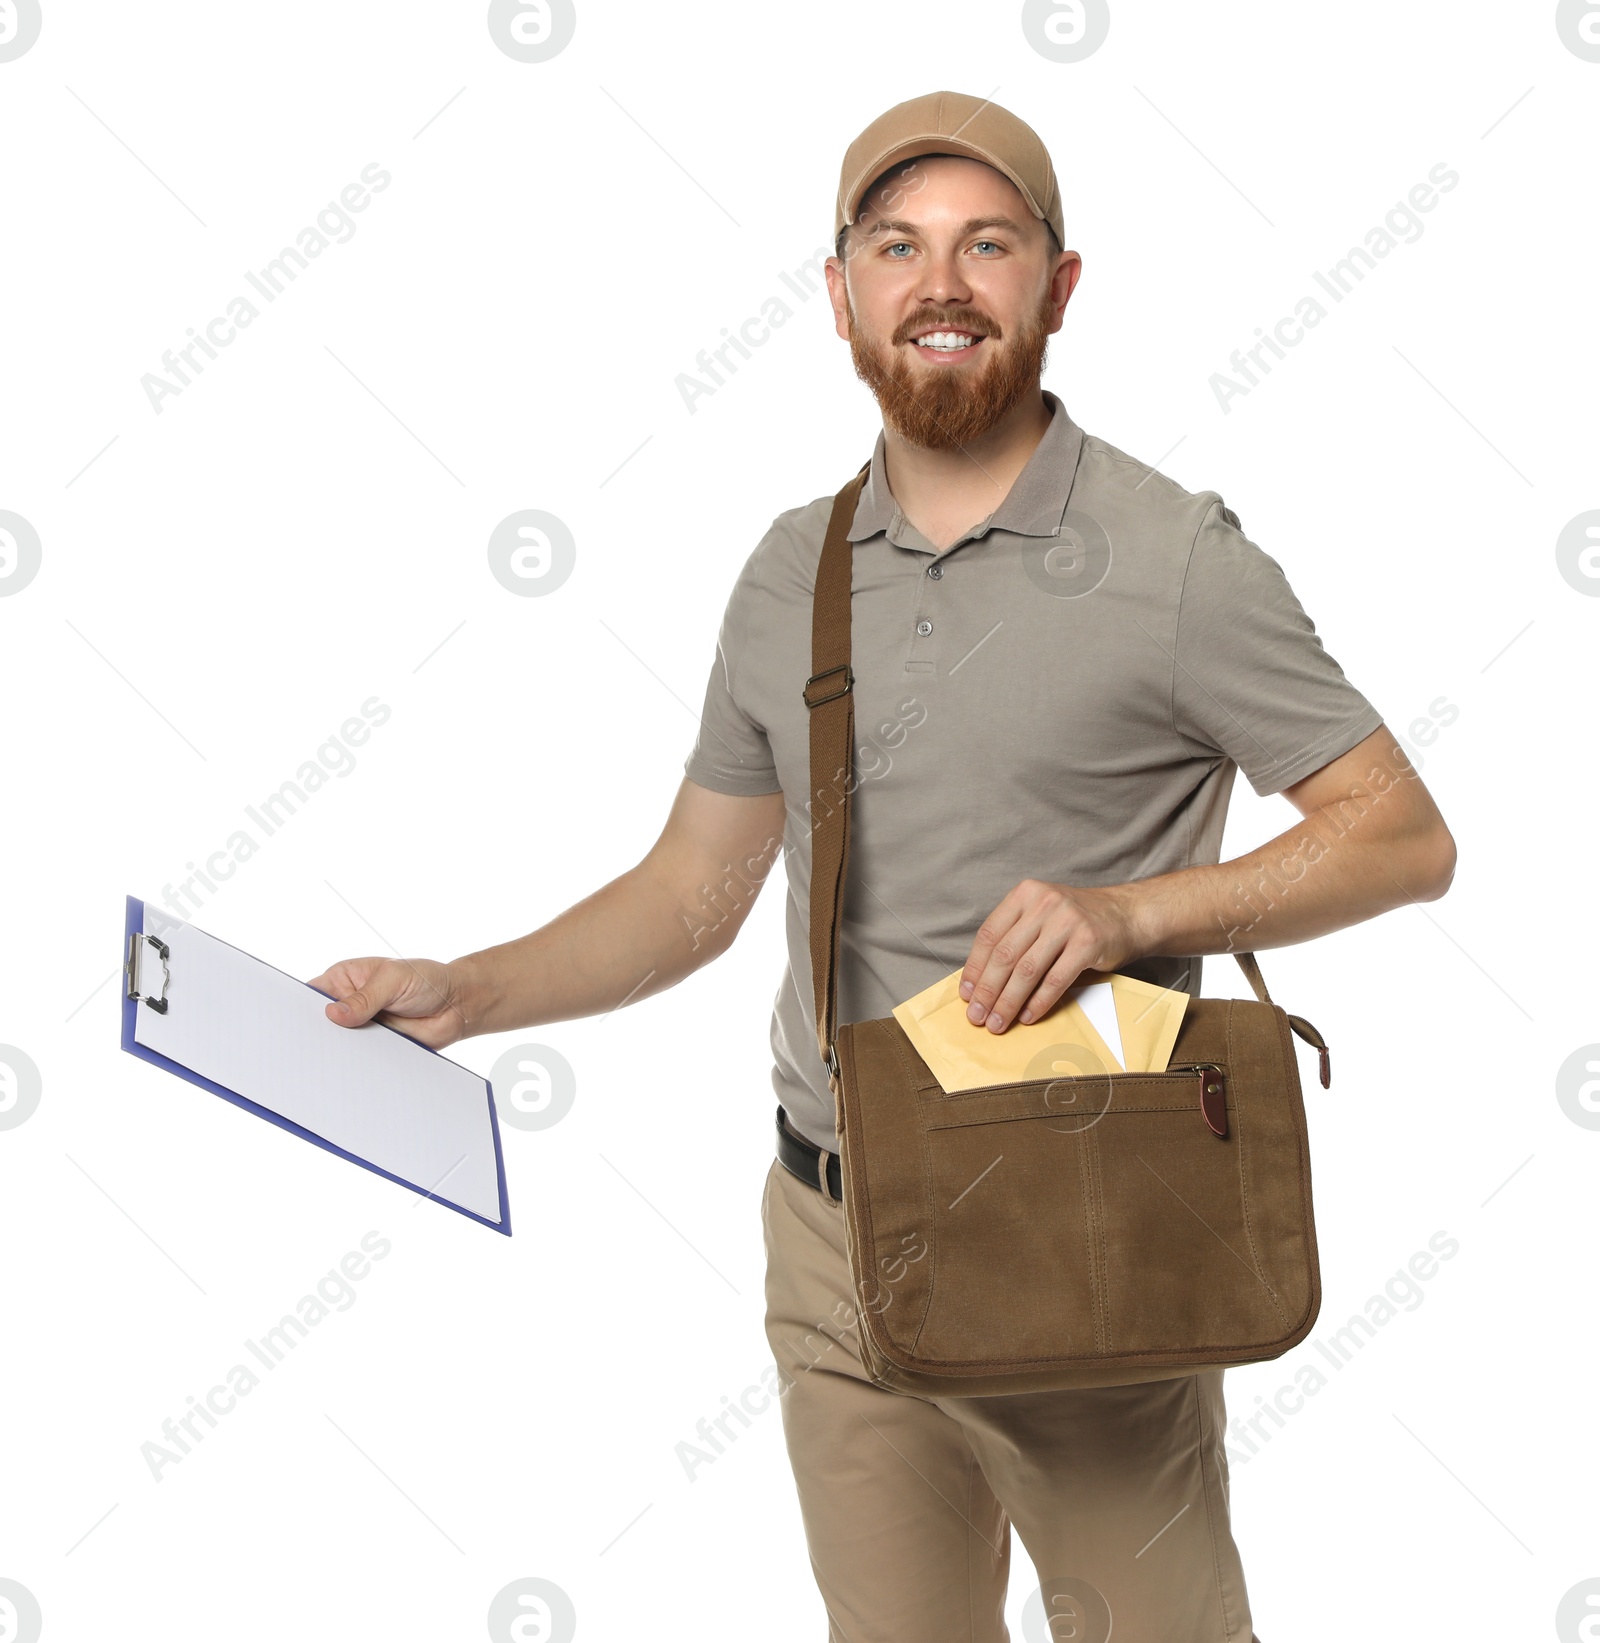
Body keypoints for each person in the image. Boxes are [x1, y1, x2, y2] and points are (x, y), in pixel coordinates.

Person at [311, 90, 1455, 1643]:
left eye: (988, 245)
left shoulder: (1178, 559)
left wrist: (1132, 912)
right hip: (831, 1232)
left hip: (1083, 1227)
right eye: (898, 246)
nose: (941, 282)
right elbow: (694, 893)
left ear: (1057, 289)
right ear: (842, 292)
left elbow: (1400, 831)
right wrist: (473, 986)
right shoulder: (793, 569)